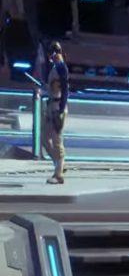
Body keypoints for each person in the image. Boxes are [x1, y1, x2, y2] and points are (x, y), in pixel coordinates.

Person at [43, 41, 69, 185]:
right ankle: (59, 165)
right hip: (52, 105)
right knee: (45, 138)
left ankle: (58, 174)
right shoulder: (56, 67)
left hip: (57, 106)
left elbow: (65, 89)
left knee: (57, 140)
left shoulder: (61, 67)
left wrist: (61, 109)